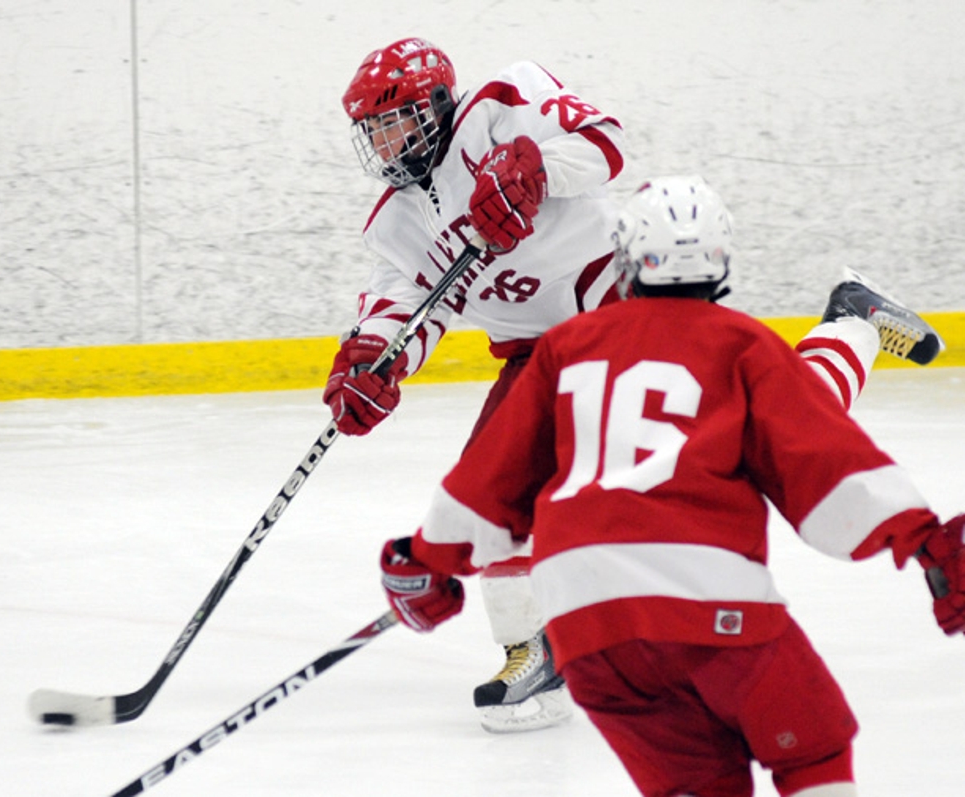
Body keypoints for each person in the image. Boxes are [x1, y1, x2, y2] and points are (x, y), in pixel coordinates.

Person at [325, 38, 945, 733]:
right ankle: (533, 654)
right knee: (492, 494)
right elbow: (403, 308)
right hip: (537, 358)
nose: (385, 143)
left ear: (437, 104)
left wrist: (536, 168)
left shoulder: (502, 104)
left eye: (395, 122)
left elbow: (607, 143)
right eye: (373, 131)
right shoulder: (395, 224)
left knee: (780, 433)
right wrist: (372, 362)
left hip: (627, 309)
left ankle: (853, 321)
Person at [376, 175, 965, 796]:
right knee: (812, 746)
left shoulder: (564, 345)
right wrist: (923, 541)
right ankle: (852, 322)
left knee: (696, 780)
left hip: (586, 627)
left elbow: (491, 479)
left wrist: (428, 558)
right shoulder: (742, 345)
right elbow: (827, 465)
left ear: (626, 255)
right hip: (709, 597)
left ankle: (853, 320)